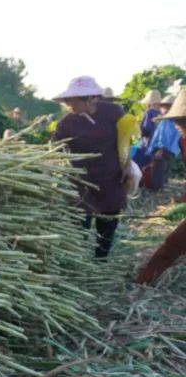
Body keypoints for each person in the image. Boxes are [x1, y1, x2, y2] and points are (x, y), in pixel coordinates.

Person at [52, 76, 131, 259]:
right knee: (80, 222)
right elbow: (55, 146)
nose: (69, 105)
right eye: (67, 101)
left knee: (108, 221)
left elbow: (126, 138)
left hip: (111, 178)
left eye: (73, 100)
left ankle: (100, 259)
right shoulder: (66, 123)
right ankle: (78, 259)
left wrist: (127, 164)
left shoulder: (113, 112)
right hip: (81, 181)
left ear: (90, 98)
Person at [136, 90, 186, 283]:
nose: (176, 126)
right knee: (173, 244)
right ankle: (144, 279)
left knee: (174, 243)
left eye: (180, 121)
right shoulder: (183, 140)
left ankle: (144, 281)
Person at [142, 90, 183, 191]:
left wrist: (160, 149)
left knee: (158, 169)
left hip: (164, 149)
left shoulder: (169, 122)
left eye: (164, 106)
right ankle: (162, 185)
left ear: (170, 107)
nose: (161, 108)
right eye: (162, 106)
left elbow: (164, 138)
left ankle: (156, 189)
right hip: (170, 150)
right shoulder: (170, 120)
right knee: (164, 168)